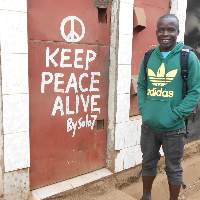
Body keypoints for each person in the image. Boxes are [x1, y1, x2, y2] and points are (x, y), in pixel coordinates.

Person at [137, 14, 200, 200]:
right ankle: (146, 196)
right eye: (161, 29)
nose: (165, 34)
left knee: (173, 167)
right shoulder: (149, 56)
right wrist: (144, 108)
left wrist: (176, 115)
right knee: (148, 162)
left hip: (174, 129)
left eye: (170, 30)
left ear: (178, 32)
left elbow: (195, 91)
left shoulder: (188, 57)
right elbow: (142, 85)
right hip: (149, 127)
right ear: (156, 31)